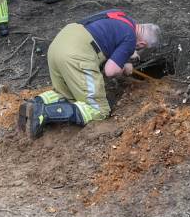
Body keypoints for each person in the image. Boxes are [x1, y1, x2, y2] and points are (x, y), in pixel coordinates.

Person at [18, 9, 161, 138]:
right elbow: (110, 71)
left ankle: (35, 104)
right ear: (141, 44)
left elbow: (109, 39)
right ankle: (42, 114)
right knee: (99, 110)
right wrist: (122, 68)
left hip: (60, 44)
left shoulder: (122, 16)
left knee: (69, 92)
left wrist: (124, 59)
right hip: (77, 54)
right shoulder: (130, 39)